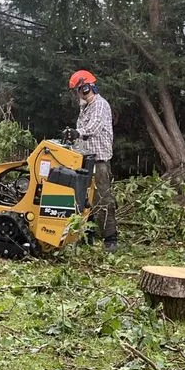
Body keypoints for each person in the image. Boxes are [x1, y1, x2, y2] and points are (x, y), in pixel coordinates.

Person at [62, 69, 118, 252]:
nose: (77, 94)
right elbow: (82, 130)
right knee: (85, 199)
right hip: (85, 159)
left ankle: (110, 239)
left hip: (99, 160)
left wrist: (78, 133)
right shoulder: (84, 107)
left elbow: (93, 127)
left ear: (86, 88)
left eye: (78, 90)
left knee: (102, 198)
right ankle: (88, 235)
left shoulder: (100, 105)